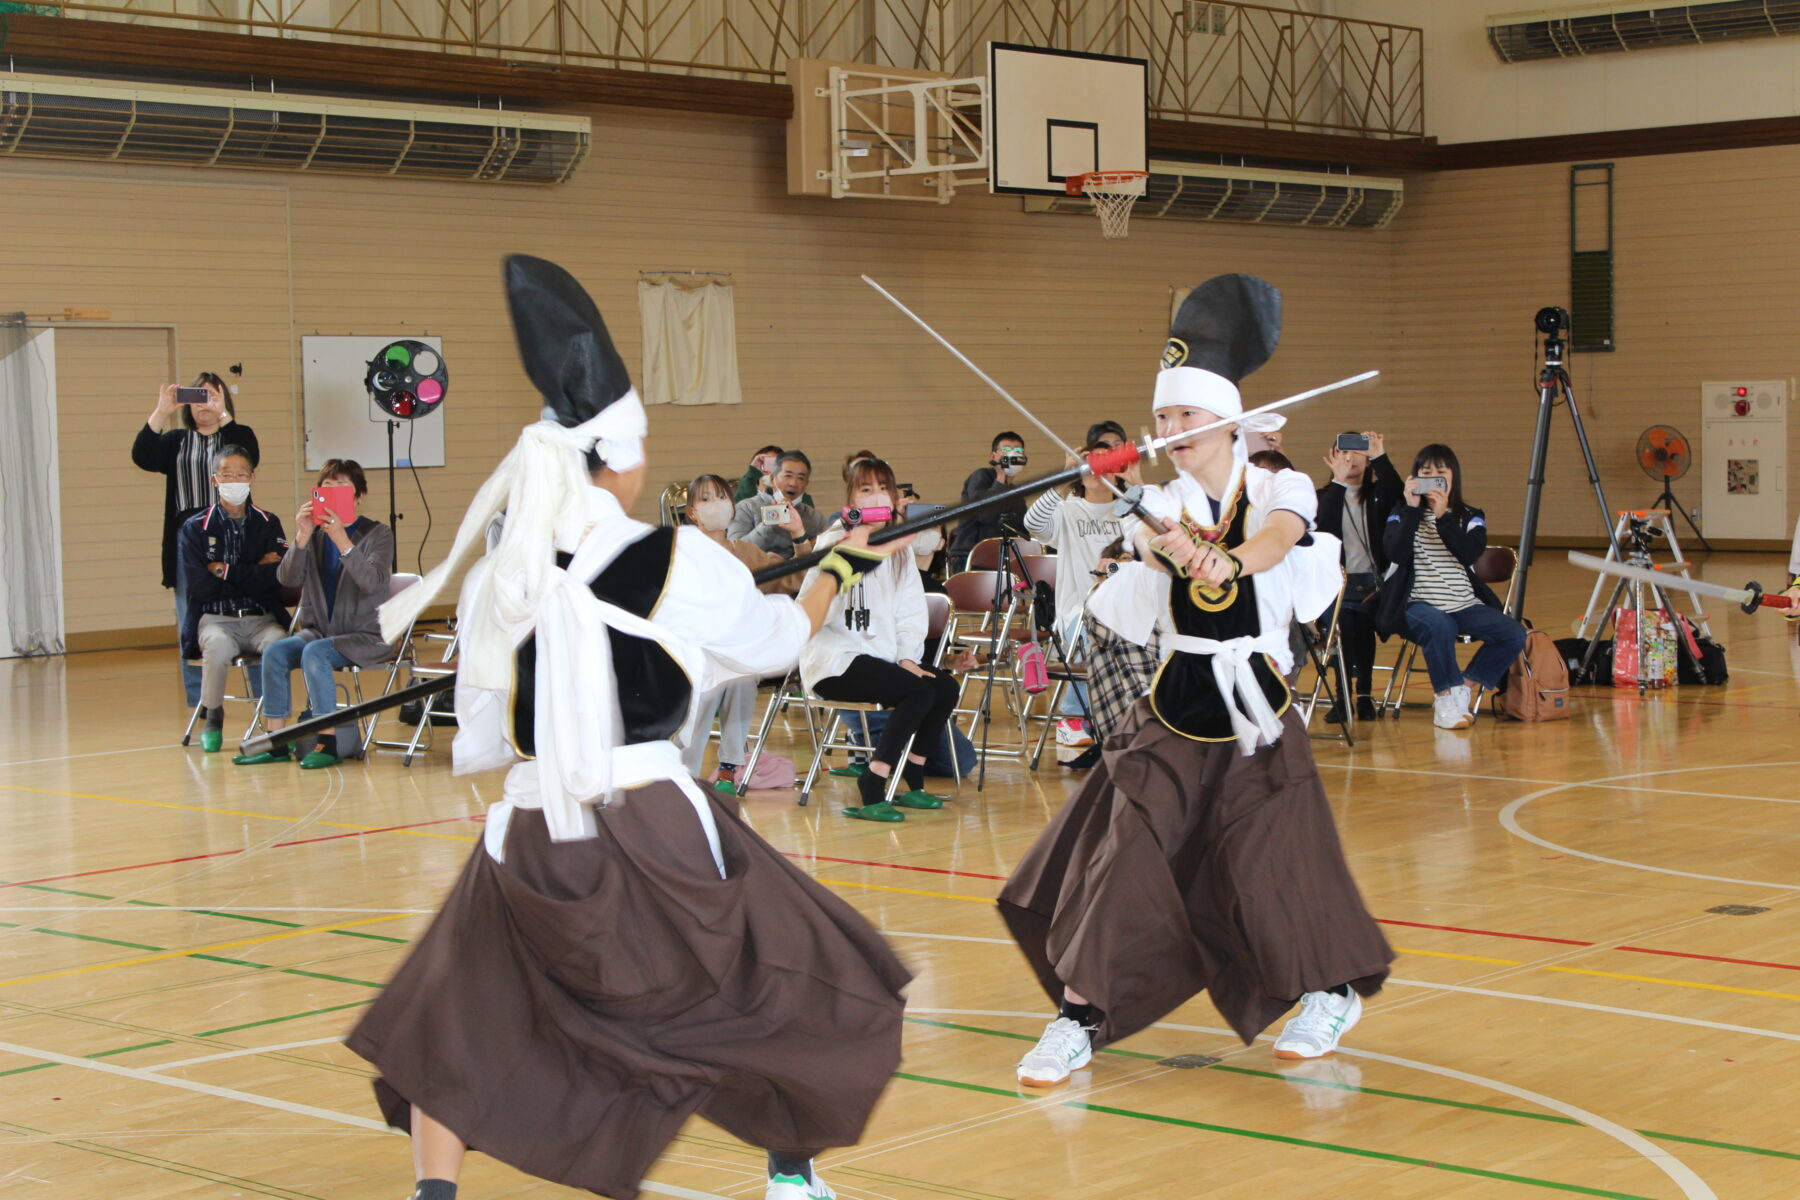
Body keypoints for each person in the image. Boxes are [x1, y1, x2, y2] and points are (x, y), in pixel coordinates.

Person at [349, 256, 909, 1200]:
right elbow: (773, 642)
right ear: (619, 457)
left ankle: (431, 1193)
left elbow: (481, 720)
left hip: (531, 830)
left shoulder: (503, 573)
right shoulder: (674, 559)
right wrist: (835, 572)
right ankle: (791, 1173)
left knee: (460, 1005)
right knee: (783, 971)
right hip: (651, 822)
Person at [999, 274, 1393, 1091]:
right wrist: (1154, 532)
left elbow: (1280, 541)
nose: (1170, 430)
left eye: (1185, 416)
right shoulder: (1162, 500)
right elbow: (1150, 559)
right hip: (1175, 708)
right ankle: (1079, 1016)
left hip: (1259, 706)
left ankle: (1330, 990)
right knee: (1125, 853)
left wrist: (1226, 558)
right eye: (1163, 418)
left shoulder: (1281, 486)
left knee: (1275, 862)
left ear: (1227, 420)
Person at [802, 457, 960, 824]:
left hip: (883, 658)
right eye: (866, 490)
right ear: (852, 499)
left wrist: (908, 658)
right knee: (917, 692)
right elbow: (813, 607)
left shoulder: (899, 546)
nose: (876, 497)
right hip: (834, 658)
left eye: (883, 489)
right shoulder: (832, 540)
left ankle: (914, 778)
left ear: (894, 495)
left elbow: (910, 611)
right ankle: (873, 783)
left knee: (944, 688)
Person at [231, 459, 395, 770]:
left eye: (342, 487)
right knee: (277, 652)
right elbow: (287, 580)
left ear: (358, 496)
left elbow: (372, 582)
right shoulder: (316, 536)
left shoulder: (378, 534)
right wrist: (302, 536)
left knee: (316, 654)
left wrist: (343, 541)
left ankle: (327, 742)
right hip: (321, 630)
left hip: (366, 636)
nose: (333, 494)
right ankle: (275, 741)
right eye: (327, 488)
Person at [1377, 443, 1526, 731]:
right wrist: (1411, 510)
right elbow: (1395, 552)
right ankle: (1445, 700)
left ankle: (1463, 688)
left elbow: (1469, 553)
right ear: (1415, 476)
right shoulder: (1401, 512)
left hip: (1463, 603)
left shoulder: (1471, 515)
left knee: (1513, 633)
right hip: (1416, 603)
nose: (1432, 477)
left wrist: (1444, 516)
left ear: (1453, 476)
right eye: (1425, 472)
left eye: (1440, 472)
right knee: (1439, 625)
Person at [133, 372, 260, 705]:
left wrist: (223, 415)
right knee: (190, 614)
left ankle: (262, 693)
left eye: (211, 395)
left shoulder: (235, 436)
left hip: (233, 532)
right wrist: (161, 410)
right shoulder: (177, 440)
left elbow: (250, 453)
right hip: (187, 538)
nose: (203, 403)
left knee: (255, 606)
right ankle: (199, 700)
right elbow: (142, 456)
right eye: (198, 396)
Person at [681, 472, 798, 790]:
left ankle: (730, 768)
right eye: (705, 499)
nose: (715, 505)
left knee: (739, 675)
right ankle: (686, 776)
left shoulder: (747, 553)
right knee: (705, 681)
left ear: (732, 506)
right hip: (692, 651)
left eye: (720, 497)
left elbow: (795, 578)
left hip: (736, 654)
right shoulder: (681, 552)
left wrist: (799, 535)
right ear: (692, 511)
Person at [1023, 437, 1137, 757]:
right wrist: (1064, 477)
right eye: (1090, 462)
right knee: (1097, 640)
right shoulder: (1068, 511)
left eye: (1104, 463)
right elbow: (1033, 524)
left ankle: (1100, 735)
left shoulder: (1131, 515)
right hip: (1076, 615)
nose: (1095, 470)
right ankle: (1087, 734)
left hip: (1127, 614)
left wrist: (1131, 481)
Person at [177, 445, 289, 752]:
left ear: (252, 477)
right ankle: (213, 715)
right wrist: (254, 571)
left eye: (241, 474)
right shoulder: (194, 528)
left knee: (279, 645)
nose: (234, 480)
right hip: (216, 619)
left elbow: (275, 580)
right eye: (227, 474)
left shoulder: (268, 522)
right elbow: (201, 588)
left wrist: (225, 572)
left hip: (261, 618)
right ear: (215, 480)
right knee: (216, 647)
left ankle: (275, 722)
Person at [1315, 431, 1403, 722]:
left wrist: (1381, 458)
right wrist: (1338, 483)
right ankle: (1344, 697)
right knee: (1344, 626)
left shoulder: (1379, 493)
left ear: (1368, 460)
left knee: (1362, 626)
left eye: (1358, 452)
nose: (1350, 457)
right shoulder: (1323, 496)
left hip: (1374, 582)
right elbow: (1323, 524)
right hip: (1336, 584)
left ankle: (1363, 695)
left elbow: (1399, 497)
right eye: (1342, 451)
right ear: (1332, 458)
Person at [1081, 538, 1160, 747]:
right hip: (1123, 699)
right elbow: (1102, 634)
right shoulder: (1104, 597)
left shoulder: (1156, 589)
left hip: (1154, 693)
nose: (1131, 566)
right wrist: (1104, 585)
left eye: (1136, 559)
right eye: (1124, 560)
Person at [947, 431, 1029, 569]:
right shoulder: (981, 476)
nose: (1013, 454)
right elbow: (984, 515)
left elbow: (1022, 530)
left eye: (1019, 451)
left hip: (1003, 558)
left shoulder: (1016, 493)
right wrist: (1001, 477)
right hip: (971, 557)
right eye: (1007, 449)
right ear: (992, 456)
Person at [729, 450, 828, 558]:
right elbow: (734, 552)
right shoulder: (746, 507)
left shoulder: (814, 517)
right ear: (772, 479)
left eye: (801, 478)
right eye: (788, 476)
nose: (793, 483)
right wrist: (773, 518)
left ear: (806, 484)